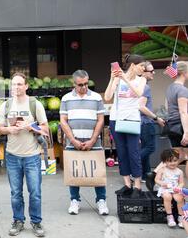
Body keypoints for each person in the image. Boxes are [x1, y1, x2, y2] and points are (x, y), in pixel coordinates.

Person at [0, 72, 48, 237]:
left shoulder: (35, 104)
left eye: (19, 84)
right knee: (15, 193)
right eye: (14, 84)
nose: (16, 87)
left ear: (26, 86)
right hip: (12, 156)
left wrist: (30, 127)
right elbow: (0, 128)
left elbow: (45, 129)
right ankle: (18, 220)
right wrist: (9, 129)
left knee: (35, 192)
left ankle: (36, 221)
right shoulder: (5, 106)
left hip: (32, 156)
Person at [60, 70, 109, 216]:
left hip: (93, 140)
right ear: (74, 84)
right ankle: (74, 200)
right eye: (80, 84)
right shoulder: (66, 98)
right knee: (74, 171)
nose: (84, 87)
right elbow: (63, 120)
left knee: (97, 170)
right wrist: (73, 140)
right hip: (73, 140)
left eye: (86, 83)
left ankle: (101, 201)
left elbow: (101, 119)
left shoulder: (96, 98)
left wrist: (93, 139)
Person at [105, 54, 147, 199]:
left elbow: (138, 93)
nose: (144, 68)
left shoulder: (142, 79)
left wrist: (125, 79)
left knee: (134, 152)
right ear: (133, 65)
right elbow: (107, 97)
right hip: (116, 119)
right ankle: (127, 184)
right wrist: (112, 78)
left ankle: (137, 186)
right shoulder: (117, 78)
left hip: (132, 120)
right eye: (142, 65)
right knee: (121, 152)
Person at [139, 62, 165, 184]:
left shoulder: (137, 85)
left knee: (145, 148)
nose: (154, 72)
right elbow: (141, 107)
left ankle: (145, 175)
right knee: (150, 148)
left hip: (140, 123)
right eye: (151, 70)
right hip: (146, 123)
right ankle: (133, 163)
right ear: (143, 72)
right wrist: (156, 118)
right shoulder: (145, 87)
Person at [154, 149, 185, 228]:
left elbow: (181, 182)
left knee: (180, 198)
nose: (173, 163)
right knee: (167, 197)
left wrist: (179, 187)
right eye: (170, 161)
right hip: (164, 188)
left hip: (175, 189)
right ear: (164, 162)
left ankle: (181, 216)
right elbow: (156, 179)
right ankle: (170, 216)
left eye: (175, 160)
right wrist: (162, 183)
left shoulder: (179, 171)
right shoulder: (162, 170)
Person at [165, 61, 188, 148]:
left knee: (177, 156)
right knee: (184, 157)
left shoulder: (170, 88)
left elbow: (167, 107)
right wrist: (186, 132)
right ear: (184, 73)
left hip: (171, 127)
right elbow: (183, 112)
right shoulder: (183, 90)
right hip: (181, 126)